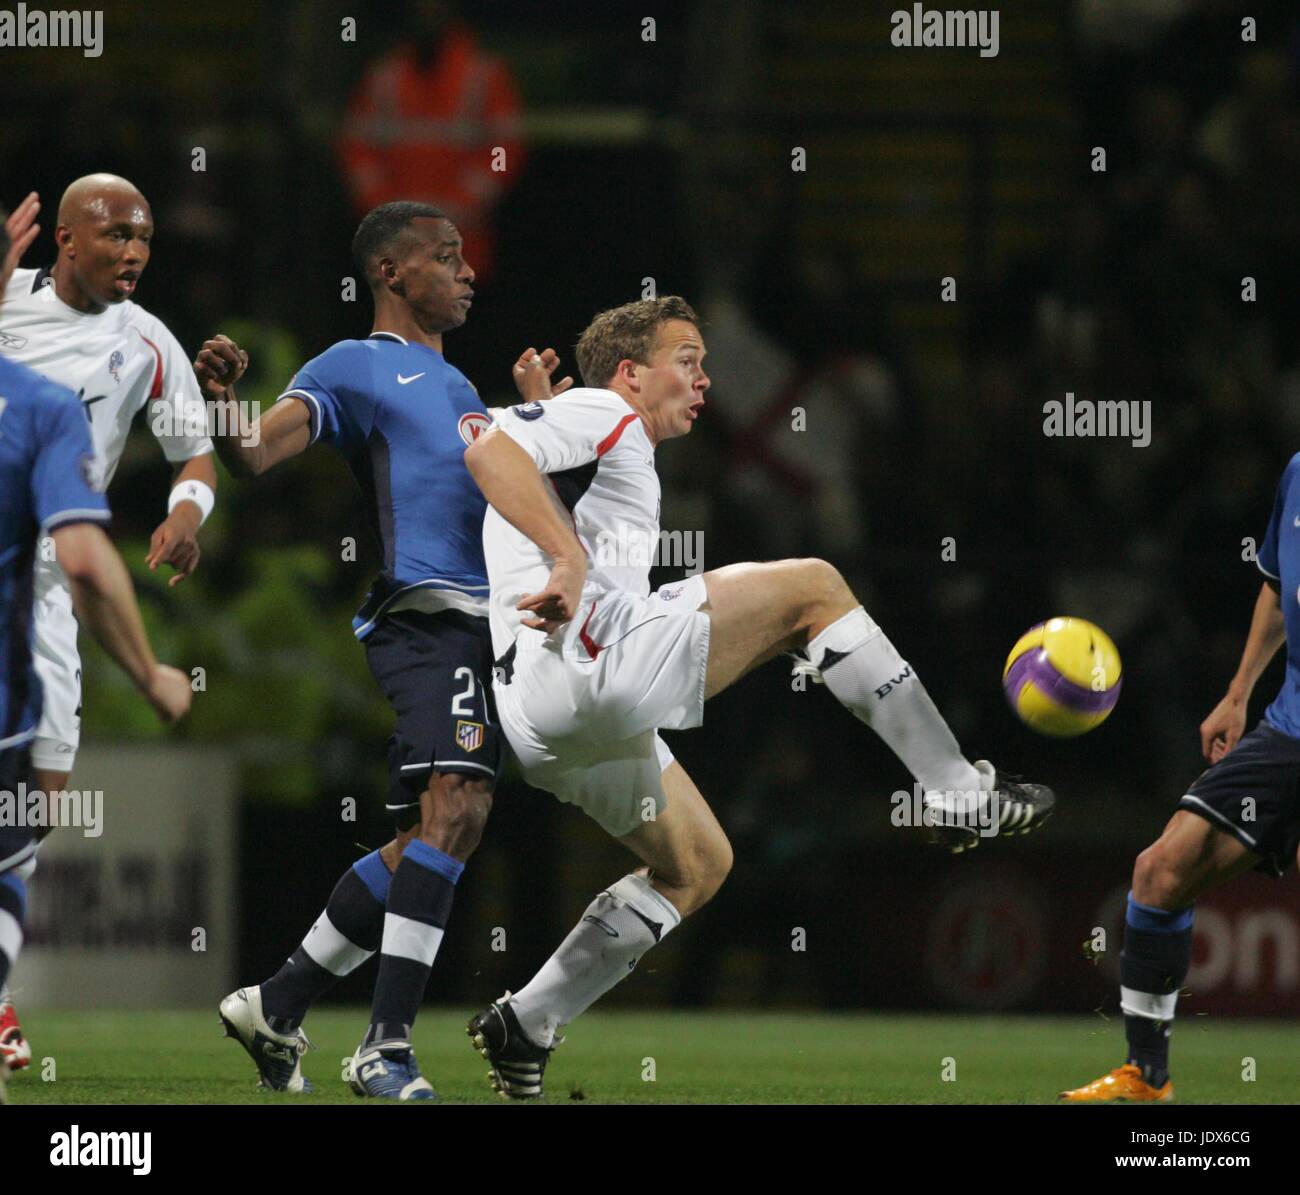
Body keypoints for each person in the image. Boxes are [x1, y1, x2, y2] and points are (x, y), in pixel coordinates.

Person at [462, 295, 1055, 1099]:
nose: (707, 378)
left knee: (698, 863)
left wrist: (542, 416)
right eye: (689, 359)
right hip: (587, 666)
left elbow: (504, 439)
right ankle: (954, 790)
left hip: (539, 718)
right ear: (631, 373)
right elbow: (488, 449)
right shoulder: (604, 408)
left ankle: (526, 1020)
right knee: (814, 588)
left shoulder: (585, 420)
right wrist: (566, 554)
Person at [200, 200, 569, 1100]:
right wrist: (221, 406)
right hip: (422, 613)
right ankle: (384, 1047)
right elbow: (252, 453)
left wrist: (543, 426)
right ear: (391, 274)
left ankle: (277, 1004)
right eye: (446, 257)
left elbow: (513, 511)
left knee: (441, 831)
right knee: (460, 796)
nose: (467, 270)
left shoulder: (467, 394)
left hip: (484, 623)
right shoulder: (355, 365)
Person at [0, 174, 216, 1072]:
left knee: (34, 804)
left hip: (50, 594)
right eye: (115, 232)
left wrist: (187, 513)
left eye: (145, 235)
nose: (133, 250)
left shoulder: (147, 342)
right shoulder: (9, 298)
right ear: (63, 237)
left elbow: (194, 449)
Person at [1061, 455, 1300, 1103]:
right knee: (1161, 870)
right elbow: (1278, 587)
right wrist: (1239, 689)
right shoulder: (1299, 472)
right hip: (1288, 727)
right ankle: (1147, 1075)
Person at [338, 0, 524, 284]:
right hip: (393, 255)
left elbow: (504, 150)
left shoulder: (483, 75)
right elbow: (357, 150)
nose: (428, 13)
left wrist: (459, 205)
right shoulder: (383, 78)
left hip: (464, 253)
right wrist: (386, 212)